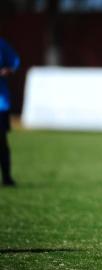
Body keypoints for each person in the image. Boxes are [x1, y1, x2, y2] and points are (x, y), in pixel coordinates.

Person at [0, 37, 20, 187]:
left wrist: (7, 70)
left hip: (1, 103)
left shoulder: (1, 44)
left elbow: (14, 62)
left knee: (1, 140)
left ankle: (7, 177)